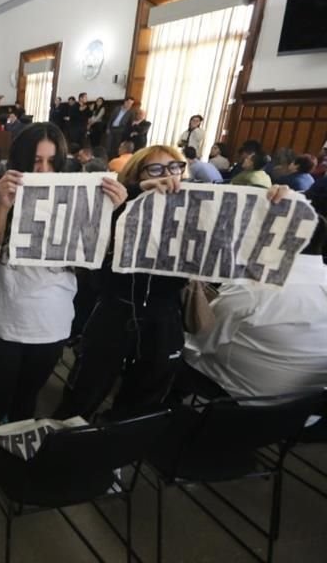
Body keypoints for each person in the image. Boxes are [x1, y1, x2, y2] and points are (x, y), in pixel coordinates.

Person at [0, 124, 126, 493]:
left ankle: (12, 451)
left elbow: (94, 260)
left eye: (51, 162)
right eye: (35, 161)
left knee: (26, 400)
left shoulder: (77, 199)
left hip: (51, 322)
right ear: (19, 161)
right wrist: (3, 205)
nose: (43, 170)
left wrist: (112, 213)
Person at [55, 146, 192, 420]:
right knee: (85, 391)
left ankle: (115, 453)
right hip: (115, 311)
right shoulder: (117, 205)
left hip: (164, 315)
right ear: (138, 175)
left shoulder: (194, 209)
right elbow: (95, 268)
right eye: (156, 169)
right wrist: (137, 194)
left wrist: (274, 201)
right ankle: (64, 446)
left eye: (174, 168)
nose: (167, 176)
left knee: (143, 399)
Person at [181, 216, 327, 400]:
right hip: (302, 411)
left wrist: (190, 292)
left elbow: (195, 342)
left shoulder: (253, 287)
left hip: (232, 401)